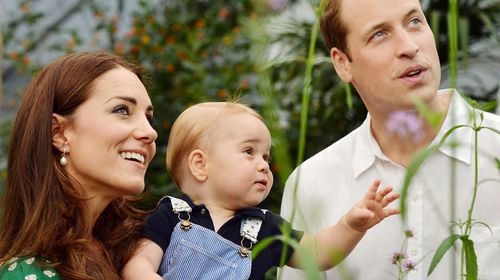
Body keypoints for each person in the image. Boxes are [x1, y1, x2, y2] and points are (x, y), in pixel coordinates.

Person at [279, 0, 500, 279]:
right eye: (379, 34)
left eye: (414, 22)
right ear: (343, 64)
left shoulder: (495, 147)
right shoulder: (311, 184)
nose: (409, 46)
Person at [122, 101, 400, 280]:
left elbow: (318, 253)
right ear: (200, 165)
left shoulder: (265, 227)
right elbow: (138, 264)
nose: (264, 166)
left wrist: (351, 225)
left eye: (266, 157)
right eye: (249, 152)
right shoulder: (171, 214)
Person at [0, 52, 158, 279]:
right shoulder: (29, 274)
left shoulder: (145, 253)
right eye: (122, 110)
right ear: (59, 133)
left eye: (149, 118)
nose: (150, 132)